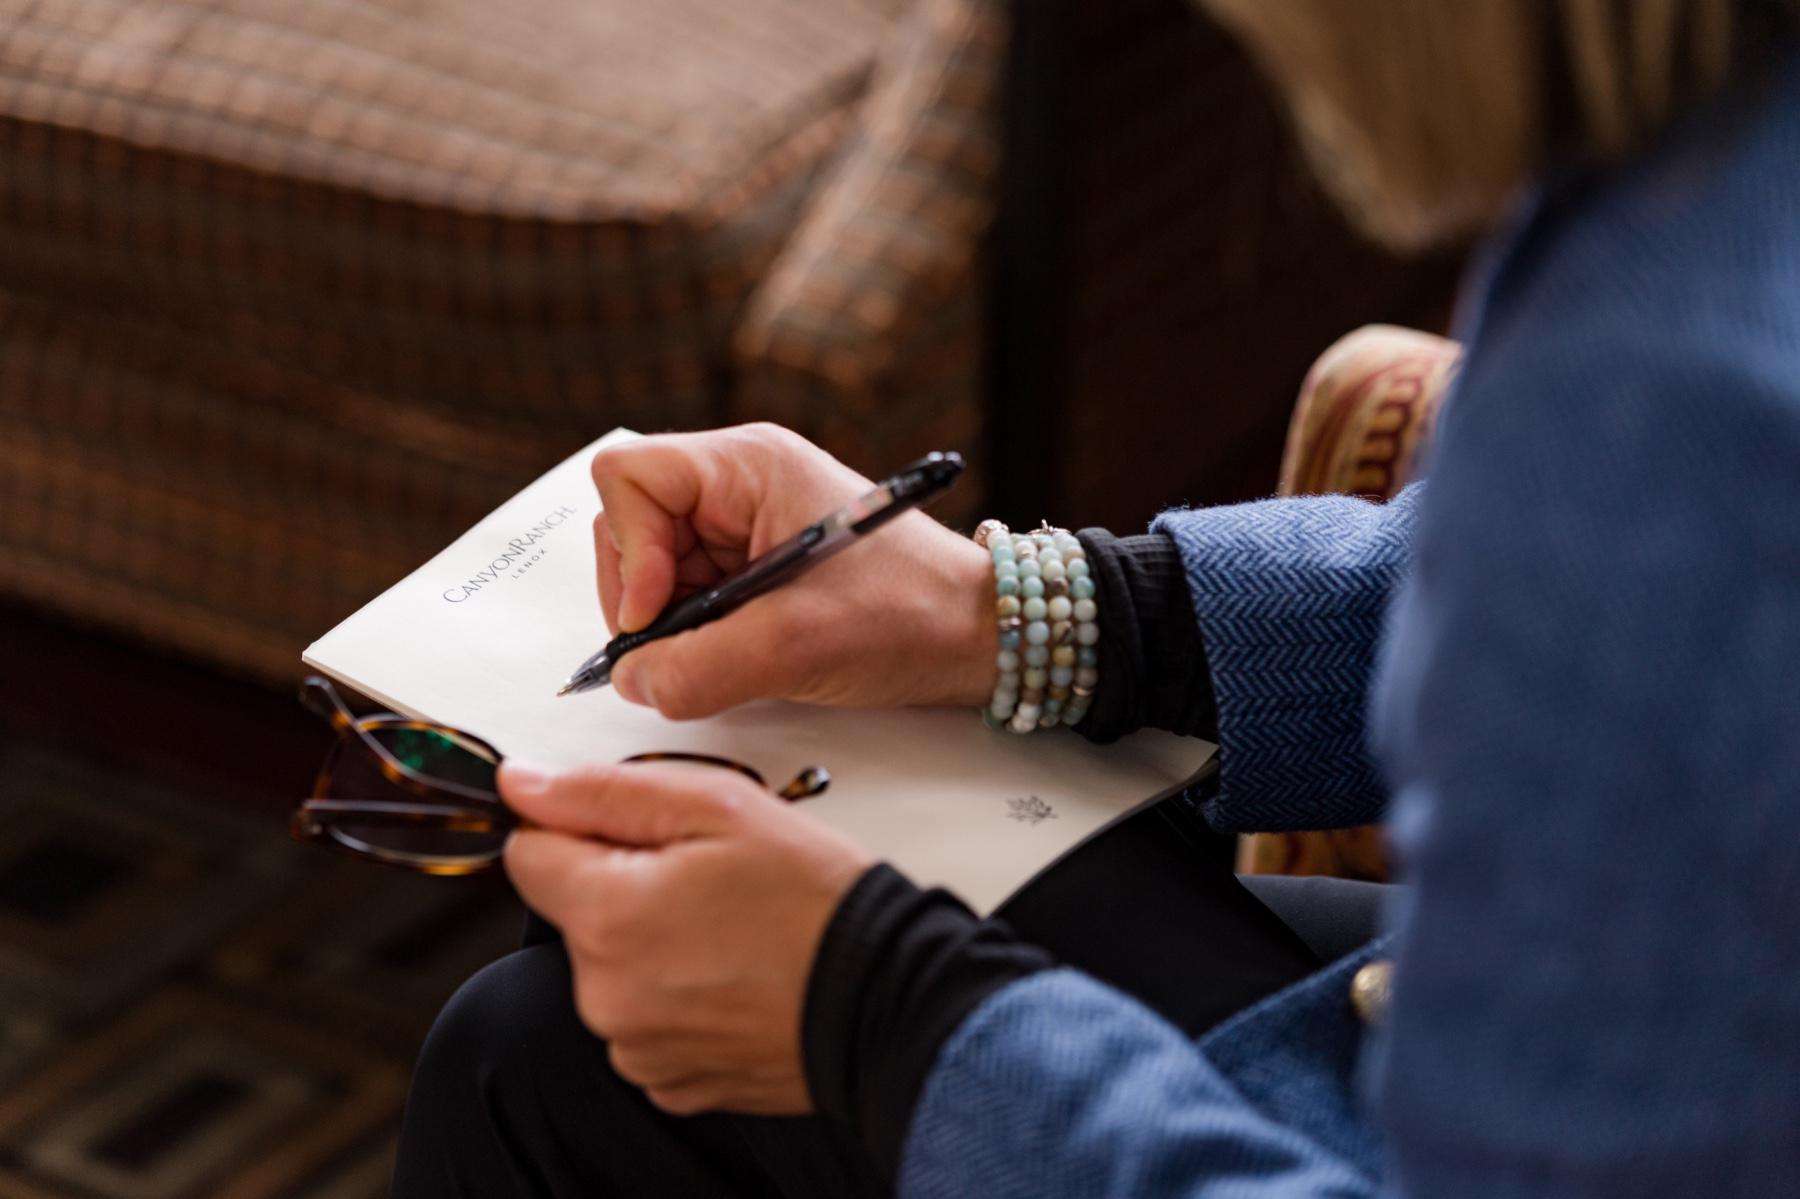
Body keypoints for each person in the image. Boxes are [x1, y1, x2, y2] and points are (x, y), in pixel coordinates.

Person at [393, 1, 1800, 1194]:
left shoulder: (1668, 382)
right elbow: (1624, 629)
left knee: (542, 1061)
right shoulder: (1717, 207)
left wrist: (886, 1020)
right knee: (552, 1029)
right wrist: (1030, 612)